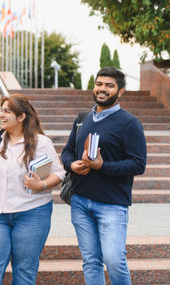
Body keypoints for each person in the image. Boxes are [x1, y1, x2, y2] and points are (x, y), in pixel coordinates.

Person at [61, 67, 147, 285]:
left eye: (109, 85)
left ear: (121, 92)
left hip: (112, 204)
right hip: (80, 201)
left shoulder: (129, 123)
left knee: (114, 260)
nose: (102, 89)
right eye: (99, 84)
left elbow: (138, 164)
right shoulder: (82, 119)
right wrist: (73, 165)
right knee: (90, 260)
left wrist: (102, 166)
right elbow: (67, 151)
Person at [0, 93, 65, 284]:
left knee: (24, 271)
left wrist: (40, 184)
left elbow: (58, 173)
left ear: (21, 116)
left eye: (7, 111)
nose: (2, 114)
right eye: (1, 110)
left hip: (32, 213)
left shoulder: (41, 142)